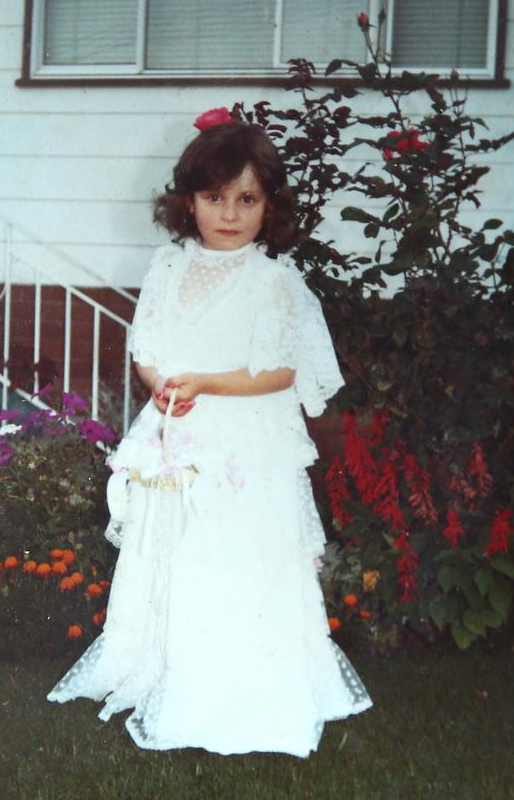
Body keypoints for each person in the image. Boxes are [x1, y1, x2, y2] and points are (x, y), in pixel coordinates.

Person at [47, 109, 373, 757]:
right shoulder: (170, 267)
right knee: (172, 549)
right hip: (179, 430)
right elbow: (147, 343)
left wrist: (206, 384)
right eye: (214, 197)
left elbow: (280, 370)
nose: (229, 213)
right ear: (188, 200)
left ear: (268, 207)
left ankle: (241, 681)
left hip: (244, 440)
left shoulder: (273, 281)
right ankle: (166, 667)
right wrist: (160, 381)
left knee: (235, 556)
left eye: (246, 199)